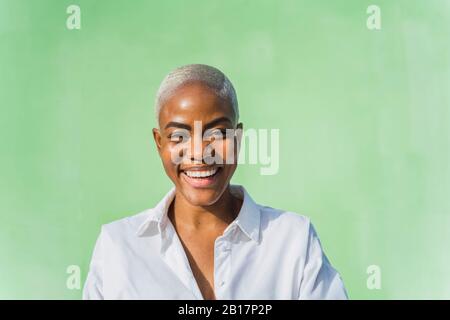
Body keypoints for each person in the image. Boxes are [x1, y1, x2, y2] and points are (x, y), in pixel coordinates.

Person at [83, 64, 348, 300]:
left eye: (218, 133)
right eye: (179, 136)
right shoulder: (118, 246)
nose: (199, 152)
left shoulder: (293, 241)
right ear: (159, 142)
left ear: (239, 139)